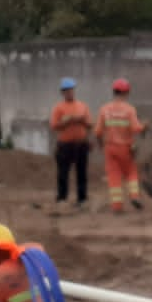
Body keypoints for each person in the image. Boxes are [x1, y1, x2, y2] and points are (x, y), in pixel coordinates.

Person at [95, 78, 147, 213]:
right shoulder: (129, 110)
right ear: (127, 93)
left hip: (110, 148)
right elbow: (137, 129)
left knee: (114, 176)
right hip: (126, 148)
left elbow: (98, 132)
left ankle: (117, 206)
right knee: (131, 173)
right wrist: (145, 127)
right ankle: (134, 196)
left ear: (114, 92)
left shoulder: (104, 109)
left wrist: (101, 145)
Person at [49, 79, 93, 211]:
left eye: (71, 90)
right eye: (67, 91)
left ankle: (82, 199)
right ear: (62, 93)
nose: (70, 93)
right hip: (65, 145)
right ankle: (62, 198)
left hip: (81, 144)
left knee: (82, 172)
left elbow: (90, 124)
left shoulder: (82, 106)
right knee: (63, 173)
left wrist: (82, 121)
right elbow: (54, 125)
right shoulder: (58, 108)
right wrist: (67, 121)